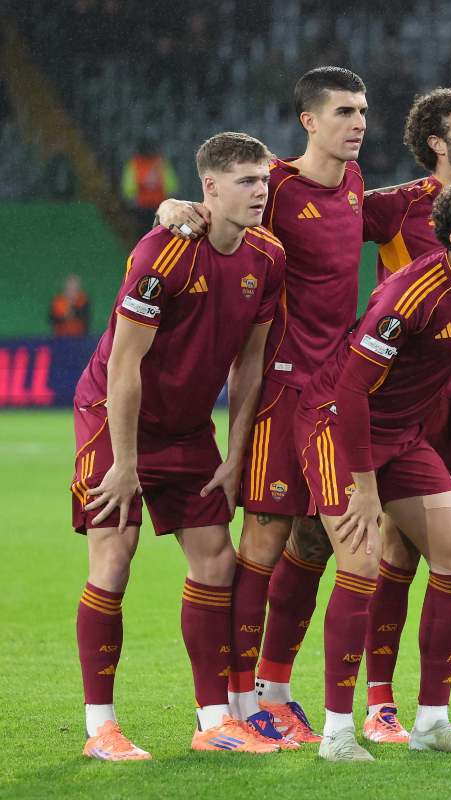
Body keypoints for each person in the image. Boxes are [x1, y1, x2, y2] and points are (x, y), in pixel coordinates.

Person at [154, 67, 369, 744]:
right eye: (343, 111)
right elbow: (210, 206)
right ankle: (238, 701)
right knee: (267, 539)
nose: (358, 122)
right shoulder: (272, 183)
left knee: (313, 542)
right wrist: (173, 208)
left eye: (363, 110)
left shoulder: (358, 184)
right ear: (309, 120)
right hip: (280, 384)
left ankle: (273, 688)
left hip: (334, 390)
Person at [293, 177, 451, 760]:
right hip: (336, 425)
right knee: (362, 563)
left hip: (400, 436)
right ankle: (338, 731)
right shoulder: (410, 297)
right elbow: (349, 392)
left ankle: (431, 722)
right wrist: (365, 488)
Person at [74, 132, 284, 760]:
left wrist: (236, 450)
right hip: (114, 419)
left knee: (216, 561)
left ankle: (214, 719)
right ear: (210, 188)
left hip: (190, 429)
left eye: (264, 180)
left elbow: (251, 365)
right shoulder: (162, 251)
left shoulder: (267, 257)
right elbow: (124, 365)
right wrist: (127, 461)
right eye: (246, 181)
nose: (260, 191)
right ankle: (100, 728)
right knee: (115, 560)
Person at [362, 86, 451, 738]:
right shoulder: (395, 208)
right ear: (433, 144)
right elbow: (304, 216)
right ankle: (380, 700)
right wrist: (183, 207)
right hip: (413, 410)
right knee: (397, 550)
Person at [122, 138, 178, 231]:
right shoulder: (160, 162)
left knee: (143, 233)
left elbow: (128, 188)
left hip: (144, 207)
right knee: (158, 234)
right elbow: (171, 186)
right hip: (155, 206)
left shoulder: (135, 163)